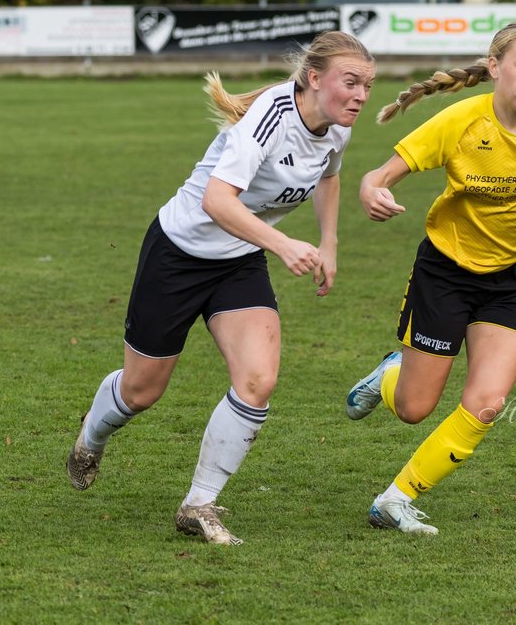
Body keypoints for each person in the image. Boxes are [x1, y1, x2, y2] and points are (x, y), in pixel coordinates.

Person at [66, 30, 376, 544]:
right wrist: (282, 244)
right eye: (352, 82)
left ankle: (199, 503)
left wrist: (329, 243)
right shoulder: (271, 117)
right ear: (315, 79)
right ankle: (90, 437)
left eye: (368, 84)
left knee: (259, 379)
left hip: (239, 260)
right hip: (178, 253)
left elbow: (328, 177)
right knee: (142, 390)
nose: (362, 95)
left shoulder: (337, 127)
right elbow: (216, 200)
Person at [345, 21, 516, 534]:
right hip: (445, 271)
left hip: (512, 277)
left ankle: (395, 499)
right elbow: (378, 175)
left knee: (486, 406)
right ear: (496, 66)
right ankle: (391, 374)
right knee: (414, 408)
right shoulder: (460, 121)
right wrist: (372, 192)